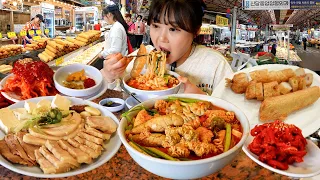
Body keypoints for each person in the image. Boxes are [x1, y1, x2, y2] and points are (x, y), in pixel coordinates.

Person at [101, 0, 233, 95]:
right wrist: (109, 75)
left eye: (173, 29)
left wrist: (204, 100)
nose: (161, 38)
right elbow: (114, 98)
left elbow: (236, 115)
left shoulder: (215, 65)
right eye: (156, 26)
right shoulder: (142, 57)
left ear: (195, 31)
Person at [96, 5, 128, 70]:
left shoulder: (117, 28)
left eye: (104, 16)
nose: (104, 19)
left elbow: (116, 50)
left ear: (109, 14)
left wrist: (102, 54)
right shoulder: (116, 25)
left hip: (116, 64)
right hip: (116, 62)